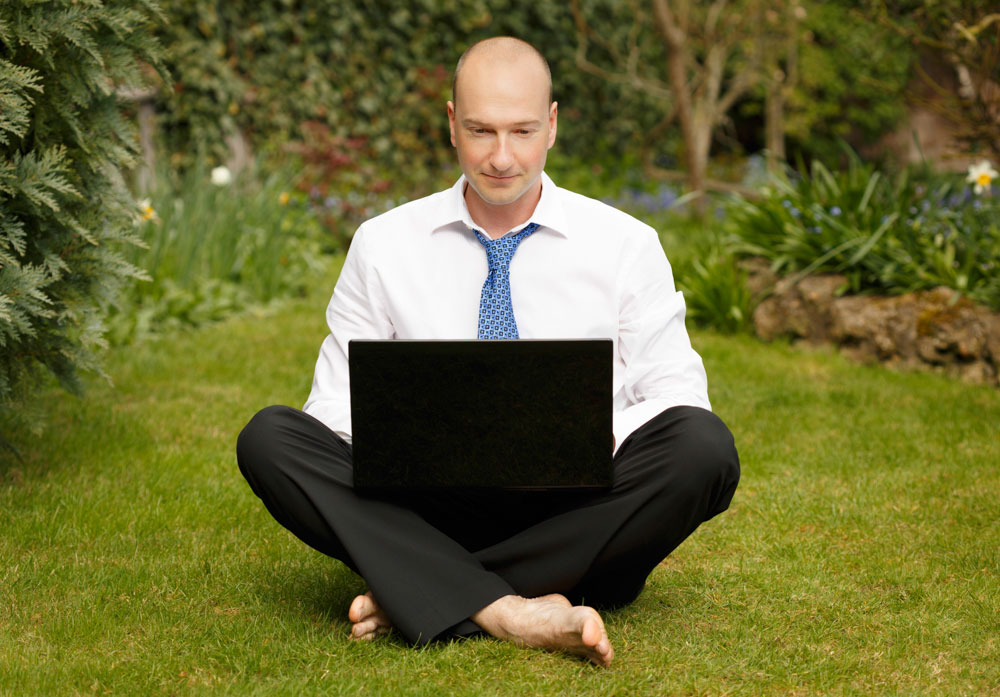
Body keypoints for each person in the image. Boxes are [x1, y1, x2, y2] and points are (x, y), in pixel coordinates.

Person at [236, 36, 739, 668]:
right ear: (451, 124)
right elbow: (333, 407)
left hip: (575, 503)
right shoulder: (383, 244)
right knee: (271, 437)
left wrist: (584, 434)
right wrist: (409, 436)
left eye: (522, 131)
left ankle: (425, 590)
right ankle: (508, 609)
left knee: (704, 448)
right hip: (428, 505)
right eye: (481, 131)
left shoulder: (625, 245)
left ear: (552, 125)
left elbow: (678, 397)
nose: (502, 157)